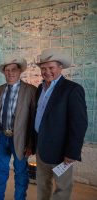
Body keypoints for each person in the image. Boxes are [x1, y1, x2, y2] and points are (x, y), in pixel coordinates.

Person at [34, 48, 88, 200]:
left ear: (60, 67)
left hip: (62, 151)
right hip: (41, 147)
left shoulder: (73, 90)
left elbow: (79, 124)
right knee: (42, 184)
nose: (47, 71)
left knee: (63, 188)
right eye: (43, 68)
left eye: (51, 67)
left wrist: (72, 153)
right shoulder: (40, 88)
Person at [0, 56, 36, 200]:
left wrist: (31, 144)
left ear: (19, 71)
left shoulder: (30, 90)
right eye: (7, 70)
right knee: (1, 171)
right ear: (4, 72)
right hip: (2, 136)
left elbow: (33, 119)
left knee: (21, 173)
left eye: (13, 70)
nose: (10, 73)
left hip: (21, 139)